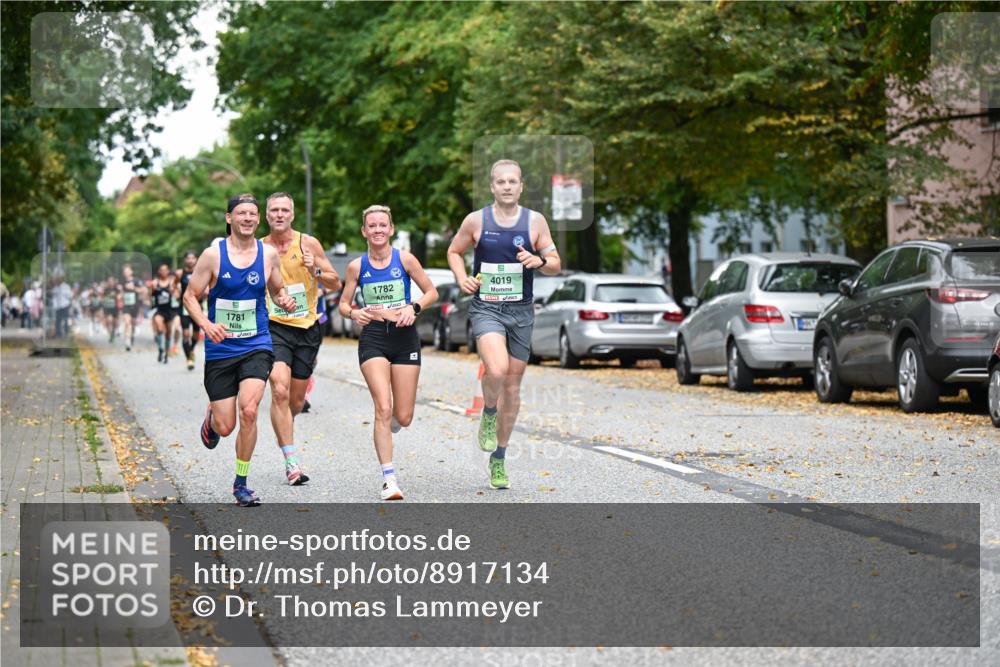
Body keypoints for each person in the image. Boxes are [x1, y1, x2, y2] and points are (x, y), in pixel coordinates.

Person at [446, 159, 562, 490]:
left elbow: (555, 263)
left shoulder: (535, 221)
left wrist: (539, 261)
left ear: (521, 186)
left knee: (513, 385)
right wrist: (462, 278)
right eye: (501, 182)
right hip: (487, 308)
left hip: (522, 312)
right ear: (492, 186)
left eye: (513, 181)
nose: (507, 186)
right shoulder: (476, 220)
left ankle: (499, 457)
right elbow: (454, 251)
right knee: (495, 370)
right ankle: (488, 413)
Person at [183, 193, 296, 507]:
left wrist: (284, 298)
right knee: (226, 425)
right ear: (229, 218)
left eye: (252, 214)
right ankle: (212, 419)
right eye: (241, 213)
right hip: (220, 349)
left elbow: (277, 288)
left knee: (249, 410)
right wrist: (206, 324)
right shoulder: (213, 255)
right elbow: (190, 297)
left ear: (258, 220)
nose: (247, 218)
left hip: (256, 344)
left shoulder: (269, 254)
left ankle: (241, 483)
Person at [339, 204, 437, 500]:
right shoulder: (357, 266)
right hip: (374, 340)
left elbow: (432, 292)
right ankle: (389, 480)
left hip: (405, 338)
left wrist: (413, 307)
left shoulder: (405, 260)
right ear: (364, 231)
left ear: (391, 229)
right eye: (372, 225)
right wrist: (354, 314)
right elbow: (344, 304)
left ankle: (395, 418)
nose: (378, 230)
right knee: (382, 407)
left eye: (383, 225)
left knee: (403, 416)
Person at [261, 192, 341, 485]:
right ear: (267, 215)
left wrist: (314, 269)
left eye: (285, 210)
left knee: (294, 402)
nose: (279, 215)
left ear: (292, 215)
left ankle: (287, 428)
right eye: (274, 210)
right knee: (279, 391)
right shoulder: (259, 248)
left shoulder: (308, 243)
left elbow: (335, 282)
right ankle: (291, 462)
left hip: (307, 329)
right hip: (274, 327)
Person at [176, 251, 202, 371]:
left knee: (195, 335)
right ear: (185, 260)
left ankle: (191, 350)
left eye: (193, 258)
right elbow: (173, 286)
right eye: (188, 258)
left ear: (196, 259)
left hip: (197, 306)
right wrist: (176, 294)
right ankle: (189, 359)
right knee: (186, 334)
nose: (191, 260)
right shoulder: (180, 273)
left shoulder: (200, 272)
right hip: (185, 307)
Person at [148, 264, 175, 363]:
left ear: (168, 271)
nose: (163, 272)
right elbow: (149, 295)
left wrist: (174, 291)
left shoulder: (172, 282)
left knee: (168, 334)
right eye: (161, 270)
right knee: (159, 328)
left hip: (169, 311)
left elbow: (177, 294)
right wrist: (150, 290)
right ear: (159, 272)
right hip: (159, 310)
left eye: (165, 270)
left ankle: (166, 354)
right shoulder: (155, 283)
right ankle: (160, 348)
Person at [121, 264, 142, 350]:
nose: (126, 273)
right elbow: (120, 293)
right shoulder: (122, 282)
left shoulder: (136, 281)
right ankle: (127, 342)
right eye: (124, 271)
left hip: (135, 305)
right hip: (126, 306)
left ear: (131, 271)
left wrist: (133, 288)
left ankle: (131, 336)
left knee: (132, 323)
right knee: (127, 322)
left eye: (127, 271)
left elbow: (143, 290)